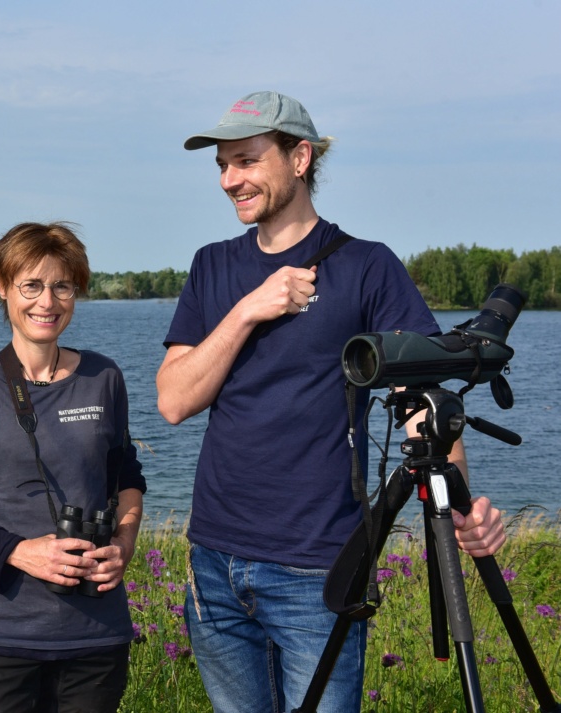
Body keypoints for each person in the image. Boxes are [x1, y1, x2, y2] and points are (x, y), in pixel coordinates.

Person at [155, 91, 507, 712]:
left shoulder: (368, 268)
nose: (230, 179)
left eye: (245, 161)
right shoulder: (211, 267)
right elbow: (174, 401)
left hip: (316, 568)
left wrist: (460, 502)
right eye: (222, 165)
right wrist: (248, 310)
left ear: (299, 157)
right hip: (212, 560)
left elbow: (424, 394)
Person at [0, 222, 146, 712]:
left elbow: (128, 480)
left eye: (62, 286)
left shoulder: (104, 377)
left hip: (95, 638)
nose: (48, 302)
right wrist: (19, 552)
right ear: (2, 287)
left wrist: (124, 545)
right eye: (32, 286)